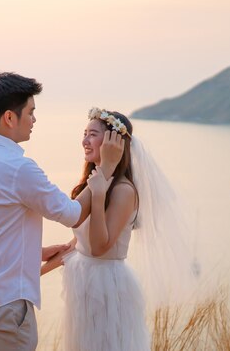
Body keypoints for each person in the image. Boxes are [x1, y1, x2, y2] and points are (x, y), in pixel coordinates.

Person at [0, 74, 124, 351]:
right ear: (10, 118)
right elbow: (72, 214)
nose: (34, 120)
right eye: (31, 112)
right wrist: (106, 169)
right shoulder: (18, 168)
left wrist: (36, 251)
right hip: (6, 304)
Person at [57, 108, 150, 351]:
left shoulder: (123, 190)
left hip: (106, 286)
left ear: (113, 142)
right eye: (84, 133)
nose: (84, 141)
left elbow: (99, 247)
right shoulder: (94, 181)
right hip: (84, 281)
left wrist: (98, 195)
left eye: (92, 134)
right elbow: (79, 240)